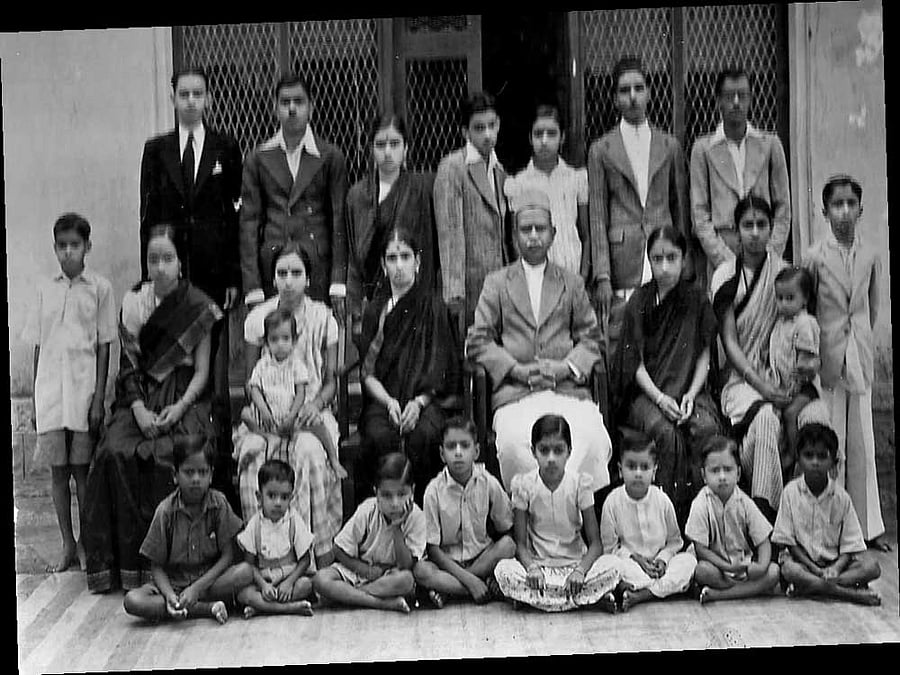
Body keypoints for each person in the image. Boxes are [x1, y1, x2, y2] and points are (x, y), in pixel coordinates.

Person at [84, 224, 223, 593]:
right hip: (141, 394)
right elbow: (128, 368)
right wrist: (140, 411)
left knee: (172, 454)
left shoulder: (199, 307)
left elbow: (203, 373)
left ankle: (177, 565)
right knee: (115, 451)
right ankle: (123, 569)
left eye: (167, 259)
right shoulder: (134, 303)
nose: (159, 268)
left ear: (180, 263)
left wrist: (178, 408)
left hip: (184, 394)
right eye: (153, 260)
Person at [139, 68, 243, 499]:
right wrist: (153, 277)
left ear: (209, 99)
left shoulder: (225, 147)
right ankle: (175, 466)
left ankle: (214, 470)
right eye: (183, 94)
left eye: (198, 94)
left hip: (214, 277)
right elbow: (146, 218)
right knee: (173, 365)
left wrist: (235, 274)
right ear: (173, 97)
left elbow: (235, 216)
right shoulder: (157, 150)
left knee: (213, 374)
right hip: (172, 280)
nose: (191, 101)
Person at [467, 187, 612, 493]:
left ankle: (577, 520)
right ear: (514, 235)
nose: (533, 236)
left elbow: (593, 338)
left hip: (566, 390)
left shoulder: (571, 283)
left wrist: (566, 368)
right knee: (514, 445)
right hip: (517, 393)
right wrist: (514, 369)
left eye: (540, 229)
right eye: (525, 229)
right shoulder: (496, 283)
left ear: (553, 233)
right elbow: (478, 339)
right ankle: (529, 521)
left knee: (591, 438)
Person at [235, 243, 343, 568]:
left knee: (309, 452)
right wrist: (264, 415)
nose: (289, 281)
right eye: (282, 273)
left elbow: (331, 381)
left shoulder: (324, 318)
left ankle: (311, 558)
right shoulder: (259, 319)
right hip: (267, 415)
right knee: (253, 450)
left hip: (310, 412)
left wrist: (317, 404)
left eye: (296, 273)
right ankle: (263, 557)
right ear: (273, 278)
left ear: (308, 278)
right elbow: (250, 380)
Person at [22, 213, 117, 573]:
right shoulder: (45, 288)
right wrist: (34, 397)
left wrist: (98, 400)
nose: (67, 253)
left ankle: (87, 545)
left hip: (82, 392)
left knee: (82, 471)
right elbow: (37, 346)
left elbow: (105, 345)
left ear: (87, 247)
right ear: (55, 248)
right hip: (50, 393)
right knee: (58, 472)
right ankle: (67, 543)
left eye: (74, 245)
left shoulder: (100, 288)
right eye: (61, 246)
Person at [611, 226, 721, 526]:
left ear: (684, 259)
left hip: (689, 391)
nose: (664, 267)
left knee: (705, 428)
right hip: (646, 395)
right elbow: (633, 363)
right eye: (657, 259)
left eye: (672, 258)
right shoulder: (640, 301)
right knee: (666, 434)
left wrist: (690, 395)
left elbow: (703, 354)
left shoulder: (696, 299)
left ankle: (706, 523)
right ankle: (668, 526)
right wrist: (660, 399)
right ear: (649, 260)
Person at [803, 175, 891, 552]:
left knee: (863, 443)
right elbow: (807, 309)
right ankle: (830, 529)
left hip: (859, 353)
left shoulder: (870, 254)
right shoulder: (813, 256)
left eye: (850, 204)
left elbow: (871, 308)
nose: (843, 212)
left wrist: (859, 342)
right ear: (825, 212)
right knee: (830, 438)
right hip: (828, 355)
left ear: (860, 209)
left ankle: (869, 528)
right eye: (836, 205)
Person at [357, 227, 461, 505]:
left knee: (424, 436)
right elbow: (367, 373)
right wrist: (389, 402)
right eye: (392, 258)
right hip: (383, 399)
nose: (399, 265)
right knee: (379, 437)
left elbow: (442, 368)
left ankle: (427, 520)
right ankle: (380, 520)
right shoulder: (375, 310)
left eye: (405, 256)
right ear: (383, 264)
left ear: (418, 261)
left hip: (428, 401)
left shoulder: (434, 307)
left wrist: (418, 403)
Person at [588, 56, 691, 329]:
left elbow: (679, 208)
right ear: (614, 99)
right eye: (624, 90)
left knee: (668, 330)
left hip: (664, 249)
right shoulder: (601, 149)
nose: (632, 97)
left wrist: (686, 262)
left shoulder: (669, 146)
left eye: (638, 88)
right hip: (624, 259)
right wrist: (602, 276)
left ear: (649, 92)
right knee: (627, 335)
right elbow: (597, 218)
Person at [239, 72, 349, 317]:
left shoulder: (330, 156)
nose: (291, 109)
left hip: (316, 268)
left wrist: (338, 281)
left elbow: (339, 220)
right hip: (274, 270)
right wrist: (253, 287)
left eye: (298, 102)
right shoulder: (259, 158)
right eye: (284, 102)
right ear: (275, 108)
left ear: (311, 106)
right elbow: (249, 225)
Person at [710, 195, 789, 522]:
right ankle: (765, 517)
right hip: (740, 380)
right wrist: (762, 386)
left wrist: (784, 382)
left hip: (780, 374)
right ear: (736, 231)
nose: (755, 233)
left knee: (809, 421)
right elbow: (729, 341)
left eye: (762, 225)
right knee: (768, 418)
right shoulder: (726, 276)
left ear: (771, 229)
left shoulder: (784, 275)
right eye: (747, 225)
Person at [493, 415, 620, 612]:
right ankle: (583, 599)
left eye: (558, 450)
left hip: (575, 566)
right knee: (504, 570)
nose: (551, 458)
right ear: (533, 451)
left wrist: (580, 571)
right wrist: (532, 568)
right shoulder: (524, 485)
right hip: (539, 569)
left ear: (569, 452)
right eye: (544, 450)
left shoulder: (580, 484)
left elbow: (596, 544)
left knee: (614, 566)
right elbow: (520, 544)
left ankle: (538, 600)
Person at [122, 436, 249, 623]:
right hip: (174, 583)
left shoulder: (219, 504)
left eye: (202, 472)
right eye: (189, 472)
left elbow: (228, 556)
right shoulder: (165, 511)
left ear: (211, 474)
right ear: (175, 475)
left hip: (209, 582)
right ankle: (204, 608)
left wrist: (196, 588)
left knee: (245, 572)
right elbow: (156, 566)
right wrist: (169, 596)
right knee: (133, 600)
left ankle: (191, 605)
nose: (196, 479)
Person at [690, 67, 791, 279]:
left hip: (764, 253)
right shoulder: (703, 149)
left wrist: (769, 255)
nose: (736, 102)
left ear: (750, 98)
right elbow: (699, 214)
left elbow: (783, 207)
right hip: (722, 254)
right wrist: (726, 261)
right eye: (729, 96)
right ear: (718, 100)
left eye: (742, 96)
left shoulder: (770, 145)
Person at [346, 113, 439, 333]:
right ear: (371, 148)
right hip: (374, 304)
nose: (387, 152)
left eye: (395, 144)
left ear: (406, 148)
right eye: (380, 144)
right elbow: (352, 254)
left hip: (417, 300)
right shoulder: (357, 196)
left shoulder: (423, 190)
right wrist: (355, 305)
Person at [772, 423, 882, 606]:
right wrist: (815, 569)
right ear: (798, 459)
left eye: (822, 456)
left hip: (835, 565)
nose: (815, 462)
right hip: (804, 565)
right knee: (790, 570)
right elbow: (789, 544)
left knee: (872, 567)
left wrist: (835, 569)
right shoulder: (790, 493)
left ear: (833, 461)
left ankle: (811, 588)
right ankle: (849, 594)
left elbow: (850, 544)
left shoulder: (841, 498)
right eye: (808, 455)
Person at [413, 416, 516, 607]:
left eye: (465, 446)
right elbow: (433, 549)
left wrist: (472, 574)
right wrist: (470, 580)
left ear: (476, 451)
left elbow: (506, 526)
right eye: (451, 447)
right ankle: (479, 586)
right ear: (442, 454)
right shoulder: (433, 491)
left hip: (481, 557)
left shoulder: (488, 482)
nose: (458, 453)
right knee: (421, 570)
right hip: (447, 563)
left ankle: (450, 592)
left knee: (508, 545)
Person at [235, 308, 344, 485]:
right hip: (269, 415)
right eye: (274, 339)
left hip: (292, 415)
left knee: (318, 425)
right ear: (266, 343)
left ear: (294, 341)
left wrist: (292, 415)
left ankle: (333, 458)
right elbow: (253, 388)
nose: (280, 344)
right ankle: (269, 436)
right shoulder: (263, 365)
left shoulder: (296, 365)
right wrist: (262, 409)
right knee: (245, 414)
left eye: (285, 339)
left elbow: (301, 393)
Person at [434, 91, 512, 326]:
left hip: (499, 287)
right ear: (465, 132)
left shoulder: (499, 170)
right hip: (469, 290)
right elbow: (450, 234)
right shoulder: (454, 168)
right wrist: (454, 293)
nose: (488, 135)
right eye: (479, 128)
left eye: (492, 125)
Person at [312, 453, 425, 613]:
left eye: (401, 494)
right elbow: (338, 549)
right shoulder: (367, 510)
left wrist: (397, 528)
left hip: (389, 576)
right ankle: (381, 603)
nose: (394, 503)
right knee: (320, 579)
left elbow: (406, 565)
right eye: (386, 495)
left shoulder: (416, 517)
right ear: (376, 493)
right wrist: (365, 570)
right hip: (359, 569)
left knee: (406, 580)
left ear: (412, 491)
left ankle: (347, 596)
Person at [600, 436, 697, 612]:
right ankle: (660, 589)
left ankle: (642, 594)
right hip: (632, 565)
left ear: (654, 471)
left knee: (688, 561)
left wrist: (663, 560)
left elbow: (675, 542)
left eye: (644, 467)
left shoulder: (662, 501)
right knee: (610, 564)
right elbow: (610, 548)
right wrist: (635, 559)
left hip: (660, 567)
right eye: (631, 466)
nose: (638, 473)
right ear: (621, 470)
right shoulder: (612, 502)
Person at [685, 435, 780, 604]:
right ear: (704, 475)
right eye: (715, 471)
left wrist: (761, 566)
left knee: (773, 571)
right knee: (701, 571)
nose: (722, 476)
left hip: (742, 566)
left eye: (728, 470)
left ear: (738, 473)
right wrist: (727, 567)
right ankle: (744, 591)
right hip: (717, 567)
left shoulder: (744, 502)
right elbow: (701, 550)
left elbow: (763, 540)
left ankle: (721, 595)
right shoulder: (701, 503)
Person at [504, 104, 590, 280]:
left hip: (571, 273)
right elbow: (516, 239)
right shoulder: (519, 183)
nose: (544, 141)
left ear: (562, 137)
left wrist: (583, 277)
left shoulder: (576, 179)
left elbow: (585, 235)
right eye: (538, 134)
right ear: (530, 138)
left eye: (551, 134)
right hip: (535, 277)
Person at [233, 459, 316, 618]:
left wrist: (289, 582)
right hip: (265, 582)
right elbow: (249, 565)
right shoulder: (255, 525)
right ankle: (288, 608)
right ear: (259, 497)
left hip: (288, 579)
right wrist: (264, 585)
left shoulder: (293, 521)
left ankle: (263, 608)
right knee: (244, 594)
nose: (278, 503)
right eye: (271, 496)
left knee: (306, 585)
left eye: (284, 497)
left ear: (291, 498)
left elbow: (305, 560)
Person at [768, 266, 822, 477]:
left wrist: (793, 388)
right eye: (780, 298)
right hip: (786, 384)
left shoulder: (804, 323)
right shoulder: (782, 323)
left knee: (791, 413)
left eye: (790, 298)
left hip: (805, 387)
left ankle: (794, 453)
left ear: (805, 299)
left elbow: (805, 362)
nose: (783, 304)